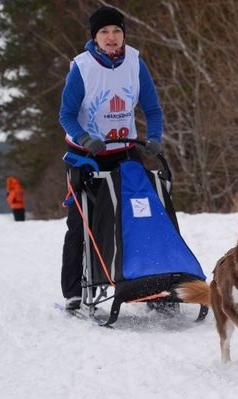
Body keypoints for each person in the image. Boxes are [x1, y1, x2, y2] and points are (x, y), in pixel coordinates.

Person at [58, 5, 163, 310]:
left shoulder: (135, 61)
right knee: (82, 222)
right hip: (86, 155)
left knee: (142, 215)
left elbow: (152, 110)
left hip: (125, 152)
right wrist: (84, 138)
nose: (111, 37)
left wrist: (154, 139)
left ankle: (152, 282)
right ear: (95, 37)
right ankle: (74, 291)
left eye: (117, 31)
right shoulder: (82, 67)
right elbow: (65, 114)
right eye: (104, 32)